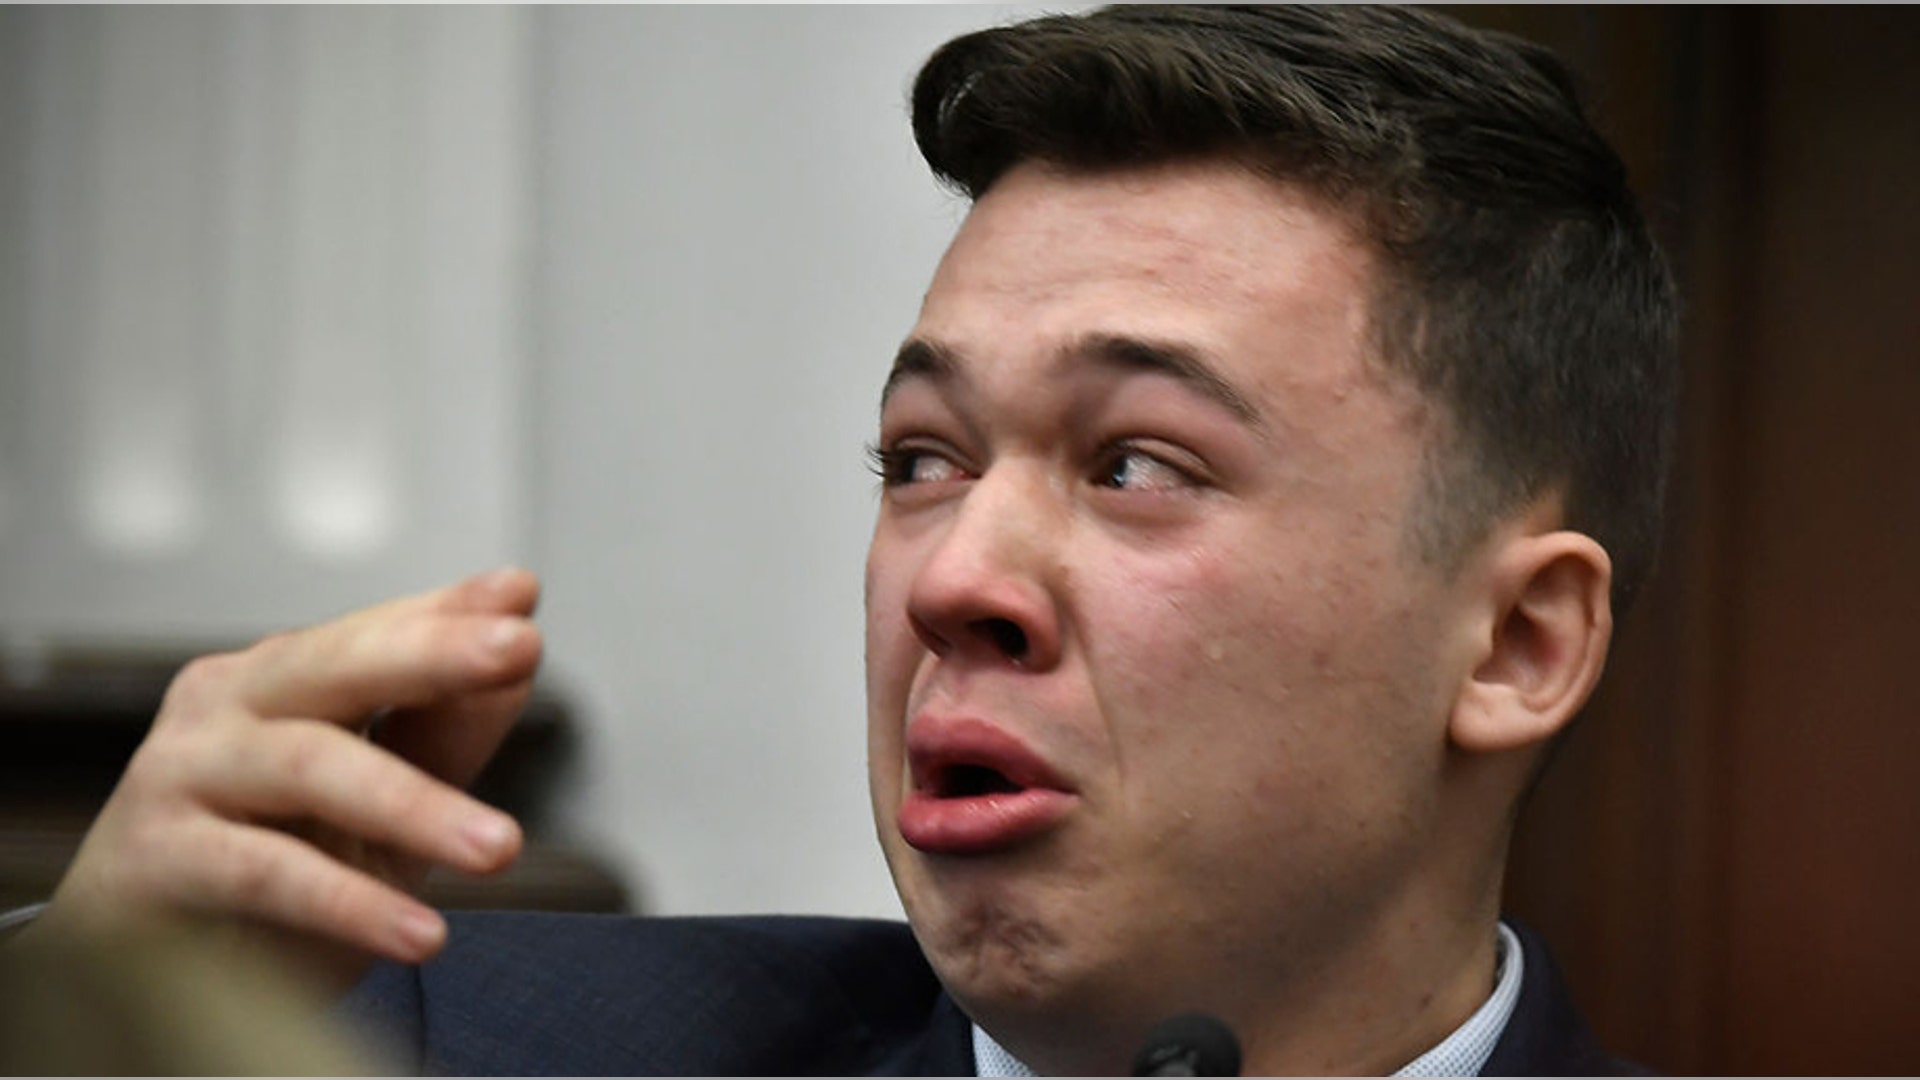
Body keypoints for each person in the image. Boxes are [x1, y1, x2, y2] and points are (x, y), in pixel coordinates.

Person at [19, 5, 1677, 1075]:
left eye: (1137, 465)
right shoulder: (401, 1039)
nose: (953, 581)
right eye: (920, 458)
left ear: (1516, 646)